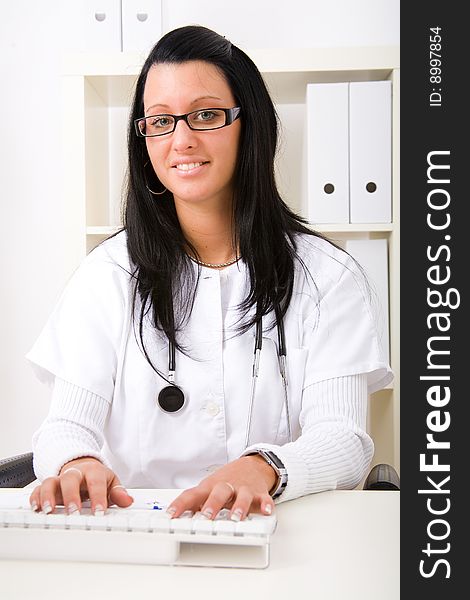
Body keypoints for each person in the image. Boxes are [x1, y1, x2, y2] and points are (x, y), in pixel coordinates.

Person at [27, 25, 393, 522]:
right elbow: (64, 427)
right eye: (159, 121)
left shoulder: (327, 276)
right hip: (142, 536)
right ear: (144, 138)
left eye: (205, 115)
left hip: (278, 532)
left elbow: (346, 440)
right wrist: (77, 461)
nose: (181, 139)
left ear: (251, 123)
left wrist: (265, 466)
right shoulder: (107, 275)